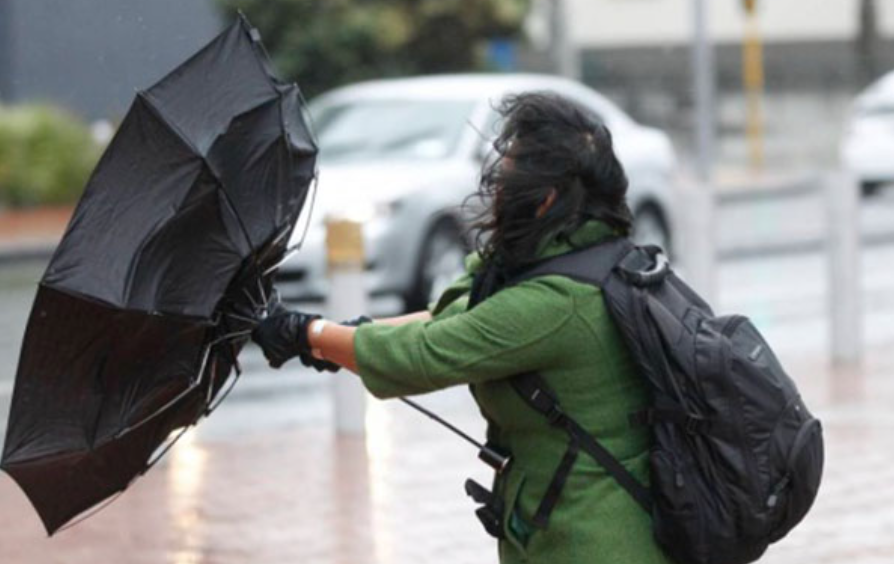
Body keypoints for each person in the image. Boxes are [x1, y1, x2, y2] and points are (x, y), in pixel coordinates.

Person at [252, 92, 676, 564]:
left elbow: (424, 355)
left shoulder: (557, 301)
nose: (496, 189)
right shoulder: (580, 260)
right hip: (575, 526)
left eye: (509, 175)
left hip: (595, 543)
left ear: (546, 199)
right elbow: (450, 316)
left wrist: (307, 333)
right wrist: (342, 334)